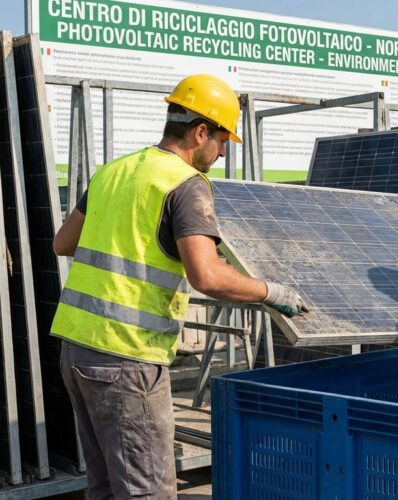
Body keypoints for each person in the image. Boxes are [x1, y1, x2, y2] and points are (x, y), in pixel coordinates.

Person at [50, 74, 308, 499]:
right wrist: (271, 292)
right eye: (222, 140)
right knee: (147, 491)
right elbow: (206, 276)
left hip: (77, 349)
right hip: (128, 357)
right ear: (200, 131)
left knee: (106, 487)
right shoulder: (186, 185)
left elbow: (64, 243)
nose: (223, 152)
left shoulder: (113, 172)